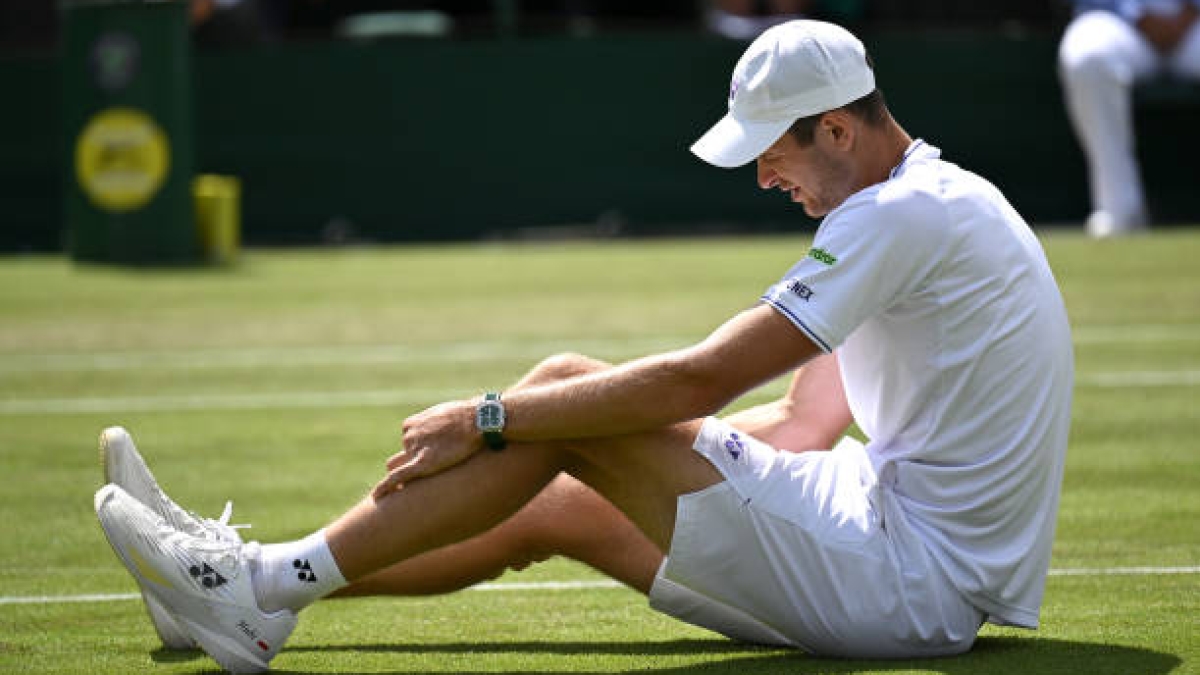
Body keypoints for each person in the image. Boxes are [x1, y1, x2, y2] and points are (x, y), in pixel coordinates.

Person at [94, 20, 1075, 674]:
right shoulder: (923, 202)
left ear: (834, 128)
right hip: (899, 554)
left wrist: (491, 419)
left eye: (770, 154)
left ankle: (250, 589)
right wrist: (647, 457)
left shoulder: (899, 218)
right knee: (549, 501)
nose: (766, 179)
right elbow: (805, 420)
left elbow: (704, 377)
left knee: (563, 391)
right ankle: (257, 589)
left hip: (907, 584)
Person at [1058, 0, 1200, 237]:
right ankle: (1121, 212)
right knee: (1088, 56)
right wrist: (1136, 14)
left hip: (1194, 23)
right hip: (1117, 19)